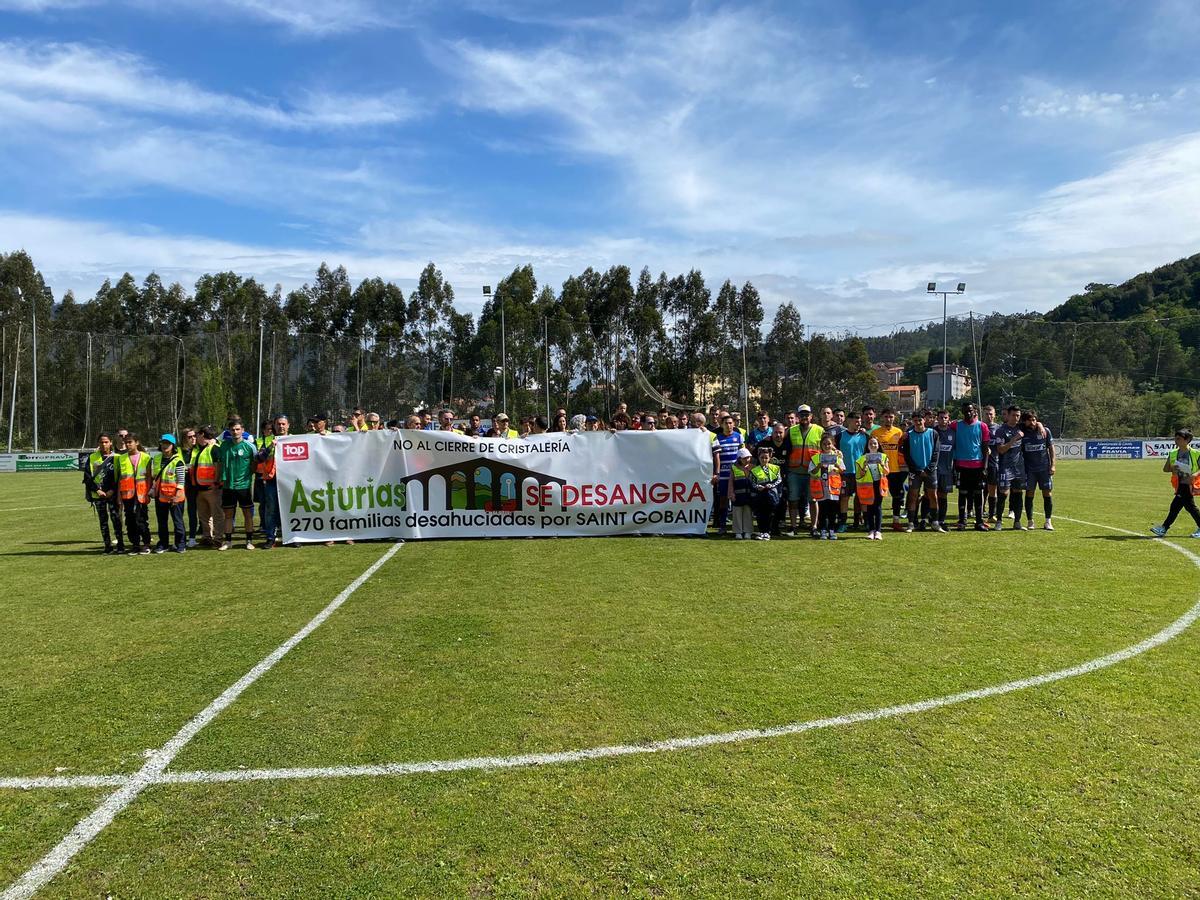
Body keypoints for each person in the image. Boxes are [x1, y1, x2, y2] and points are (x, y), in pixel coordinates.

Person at [782, 404, 823, 536]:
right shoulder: (791, 431)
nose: (804, 417)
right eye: (802, 415)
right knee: (793, 500)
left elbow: (828, 447)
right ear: (798, 417)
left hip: (813, 473)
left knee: (813, 500)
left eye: (807, 414)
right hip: (794, 472)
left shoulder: (819, 430)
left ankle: (814, 527)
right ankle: (793, 527)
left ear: (811, 416)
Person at [217, 417, 257, 551]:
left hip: (244, 486)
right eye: (232, 429)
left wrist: (245, 477)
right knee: (228, 515)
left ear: (242, 430)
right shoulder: (224, 446)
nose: (235, 432)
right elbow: (220, 463)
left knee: (247, 514)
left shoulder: (250, 446)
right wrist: (220, 479)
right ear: (229, 431)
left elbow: (254, 465)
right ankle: (228, 541)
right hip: (228, 486)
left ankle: (249, 541)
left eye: (237, 429)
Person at [1151, 428, 1200, 538]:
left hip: (1190, 484)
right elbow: (1165, 469)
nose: (1176, 441)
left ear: (1187, 440)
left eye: (1178, 439)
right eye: (1175, 438)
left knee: (1179, 507)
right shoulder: (1173, 453)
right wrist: (1173, 468)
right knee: (1185, 507)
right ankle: (1163, 528)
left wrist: (1194, 475)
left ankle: (1163, 528)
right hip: (1180, 484)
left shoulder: (1196, 454)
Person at [83, 431, 124, 554]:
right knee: (103, 522)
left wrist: (112, 490)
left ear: (111, 443)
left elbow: (121, 477)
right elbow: (87, 477)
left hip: (113, 495)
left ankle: (120, 545)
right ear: (98, 443)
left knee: (116, 519)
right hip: (98, 495)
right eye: (101, 442)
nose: (104, 444)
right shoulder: (92, 458)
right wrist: (97, 490)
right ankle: (107, 546)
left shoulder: (117, 458)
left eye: (106, 442)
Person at [951, 402, 990, 531]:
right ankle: (962, 521)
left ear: (975, 411)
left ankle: (979, 522)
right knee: (962, 494)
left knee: (978, 494)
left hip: (977, 466)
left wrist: (984, 467)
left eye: (970, 410)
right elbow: (940, 427)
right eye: (965, 411)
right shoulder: (956, 425)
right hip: (961, 465)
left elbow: (985, 448)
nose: (968, 413)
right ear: (962, 411)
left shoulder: (982, 426)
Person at [115, 432, 152, 554]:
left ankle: (146, 543)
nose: (127, 445)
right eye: (126, 443)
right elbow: (120, 478)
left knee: (141, 519)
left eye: (130, 442)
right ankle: (135, 544)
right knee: (130, 520)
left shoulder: (146, 457)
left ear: (137, 442)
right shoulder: (121, 458)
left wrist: (148, 493)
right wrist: (119, 497)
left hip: (141, 494)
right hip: (127, 494)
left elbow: (148, 478)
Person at [901, 411, 939, 532]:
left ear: (924, 420)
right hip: (915, 472)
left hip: (930, 471)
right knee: (913, 496)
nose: (918, 422)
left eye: (920, 420)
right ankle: (911, 523)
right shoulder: (908, 435)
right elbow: (906, 455)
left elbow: (936, 453)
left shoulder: (933, 433)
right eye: (915, 420)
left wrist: (928, 469)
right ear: (913, 421)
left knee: (933, 496)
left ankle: (935, 522)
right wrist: (916, 470)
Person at [1019, 409, 1056, 531]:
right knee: (1030, 494)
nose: (1032, 423)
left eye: (1034, 420)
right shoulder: (1022, 432)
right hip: (1029, 470)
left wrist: (1053, 465)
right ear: (1024, 422)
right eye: (1029, 420)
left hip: (1044, 469)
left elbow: (1051, 449)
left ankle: (1048, 521)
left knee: (1047, 493)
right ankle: (1030, 521)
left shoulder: (1045, 431)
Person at [991, 406, 1026, 531]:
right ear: (1008, 415)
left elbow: (1035, 421)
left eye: (1018, 415)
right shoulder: (1001, 431)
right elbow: (1000, 450)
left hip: (1019, 468)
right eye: (1013, 415)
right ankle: (999, 521)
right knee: (1004, 493)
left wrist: (1040, 425)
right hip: (1005, 467)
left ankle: (1017, 522)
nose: (1016, 418)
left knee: (1018, 493)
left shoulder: (1022, 428)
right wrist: (1014, 439)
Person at [151, 433, 187, 553]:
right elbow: (155, 477)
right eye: (163, 443)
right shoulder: (156, 458)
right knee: (162, 523)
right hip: (160, 496)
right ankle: (163, 544)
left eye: (167, 443)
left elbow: (181, 480)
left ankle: (180, 544)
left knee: (178, 522)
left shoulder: (178, 461)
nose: (164, 446)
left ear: (173, 445)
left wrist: (176, 496)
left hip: (175, 497)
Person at [873, 408, 907, 531]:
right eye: (886, 416)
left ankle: (896, 521)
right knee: (878, 497)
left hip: (896, 470)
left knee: (897, 497)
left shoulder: (899, 432)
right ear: (882, 417)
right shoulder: (876, 433)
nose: (889, 419)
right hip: (881, 471)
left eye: (891, 417)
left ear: (894, 418)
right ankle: (876, 523)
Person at [256, 415, 287, 548]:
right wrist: (270, 446)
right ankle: (270, 537)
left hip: (289, 481)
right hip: (271, 480)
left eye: (283, 424)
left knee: (289, 509)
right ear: (274, 426)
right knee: (271, 510)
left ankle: (291, 536)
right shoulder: (266, 440)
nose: (281, 426)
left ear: (288, 425)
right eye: (278, 424)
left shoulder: (295, 439)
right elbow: (259, 458)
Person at [710, 414, 744, 535]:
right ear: (722, 424)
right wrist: (717, 473)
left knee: (737, 500)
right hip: (723, 475)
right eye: (726, 423)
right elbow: (716, 457)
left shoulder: (739, 436)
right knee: (723, 500)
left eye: (730, 423)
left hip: (737, 474)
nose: (729, 425)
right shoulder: (717, 438)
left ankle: (737, 527)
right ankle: (722, 526)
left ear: (733, 424)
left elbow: (742, 455)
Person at [808, 432, 845, 540]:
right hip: (821, 488)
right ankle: (823, 529)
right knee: (823, 510)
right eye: (824, 444)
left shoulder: (837, 457)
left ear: (832, 444)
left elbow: (842, 470)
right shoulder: (816, 458)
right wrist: (819, 466)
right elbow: (811, 472)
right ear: (821, 445)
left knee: (833, 510)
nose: (827, 446)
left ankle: (832, 529)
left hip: (833, 488)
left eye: (829, 444)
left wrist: (837, 465)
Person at [837, 411, 868, 532]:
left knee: (861, 498)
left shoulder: (864, 436)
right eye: (856, 421)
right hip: (845, 473)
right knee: (844, 498)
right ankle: (843, 522)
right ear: (849, 421)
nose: (859, 424)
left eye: (860, 421)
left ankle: (860, 521)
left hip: (861, 473)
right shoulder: (840, 436)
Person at [855, 434, 889, 540]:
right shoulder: (862, 459)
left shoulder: (883, 457)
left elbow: (887, 472)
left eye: (875, 443)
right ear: (867, 446)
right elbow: (859, 475)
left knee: (878, 507)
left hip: (879, 484)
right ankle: (871, 530)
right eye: (871, 444)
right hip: (868, 486)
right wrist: (864, 466)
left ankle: (878, 531)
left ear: (878, 445)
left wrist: (882, 464)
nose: (873, 445)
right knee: (869, 508)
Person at [749, 443, 783, 540]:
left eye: (766, 458)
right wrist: (757, 486)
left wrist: (771, 485)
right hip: (760, 495)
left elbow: (779, 480)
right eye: (762, 458)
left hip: (772, 494)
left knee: (770, 514)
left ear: (769, 458)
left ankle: (768, 532)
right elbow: (752, 482)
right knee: (760, 514)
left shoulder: (775, 468)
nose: (764, 460)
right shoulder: (754, 470)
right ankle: (762, 531)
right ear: (758, 458)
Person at [932, 408, 955, 532]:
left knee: (943, 495)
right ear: (937, 418)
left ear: (948, 419)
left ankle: (941, 520)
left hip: (947, 470)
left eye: (945, 417)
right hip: (933, 469)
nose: (943, 420)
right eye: (941, 417)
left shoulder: (953, 433)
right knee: (930, 495)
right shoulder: (932, 432)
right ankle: (925, 519)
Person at [178, 427, 200, 547]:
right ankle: (180, 538)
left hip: (193, 484)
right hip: (180, 483)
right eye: (190, 437)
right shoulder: (177, 450)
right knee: (178, 512)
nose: (193, 439)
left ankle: (192, 538)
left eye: (194, 436)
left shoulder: (198, 449)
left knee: (192, 511)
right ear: (184, 438)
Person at [982, 404, 1002, 522]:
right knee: (978, 490)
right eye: (986, 414)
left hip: (994, 464)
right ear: (982, 415)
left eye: (991, 414)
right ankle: (977, 513)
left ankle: (991, 515)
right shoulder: (979, 427)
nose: (989, 416)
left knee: (992, 490)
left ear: (994, 415)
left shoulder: (999, 429)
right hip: (979, 464)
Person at [730, 448, 755, 539]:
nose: (747, 459)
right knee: (737, 513)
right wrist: (731, 493)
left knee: (748, 513)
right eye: (744, 458)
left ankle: (748, 531)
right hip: (738, 494)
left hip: (749, 495)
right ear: (739, 458)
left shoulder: (753, 467)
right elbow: (731, 482)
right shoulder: (734, 468)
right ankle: (738, 532)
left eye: (748, 457)